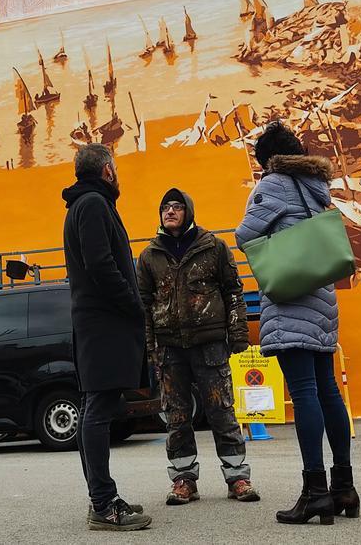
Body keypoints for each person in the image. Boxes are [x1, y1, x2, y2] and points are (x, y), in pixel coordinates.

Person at [234, 122, 360, 525]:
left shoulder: (272, 185)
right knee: (328, 392)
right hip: (321, 296)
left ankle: (315, 491)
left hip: (291, 297)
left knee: (304, 391)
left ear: (268, 159)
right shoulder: (313, 186)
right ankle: (344, 486)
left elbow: (244, 234)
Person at [137, 188, 260, 506]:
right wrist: (150, 347)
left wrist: (238, 335)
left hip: (210, 344)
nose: (170, 211)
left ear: (188, 211)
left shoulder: (213, 247)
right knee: (176, 416)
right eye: (165, 207)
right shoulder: (150, 256)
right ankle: (183, 480)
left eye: (177, 206)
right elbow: (144, 304)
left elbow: (234, 290)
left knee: (221, 411)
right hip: (169, 348)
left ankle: (238, 478)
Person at [61, 144, 152, 532]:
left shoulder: (87, 204)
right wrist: (132, 303)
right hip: (104, 323)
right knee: (98, 409)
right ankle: (103, 504)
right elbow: (101, 264)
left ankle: (102, 498)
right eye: (115, 167)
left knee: (96, 407)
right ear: (107, 171)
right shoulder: (94, 204)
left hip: (98, 322)